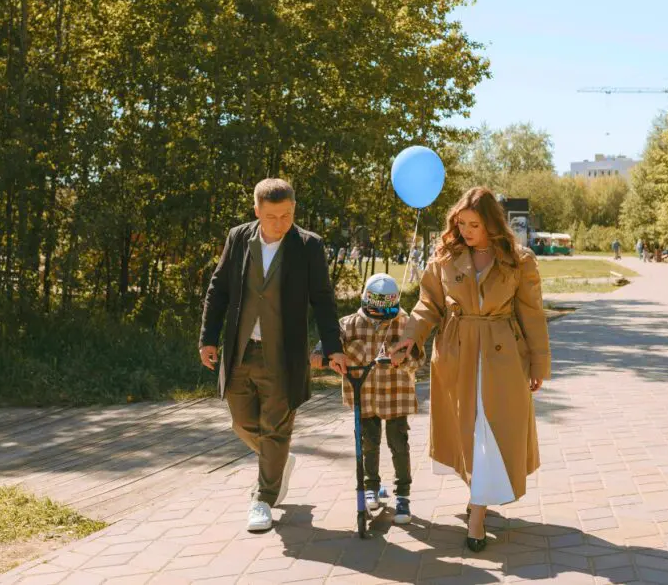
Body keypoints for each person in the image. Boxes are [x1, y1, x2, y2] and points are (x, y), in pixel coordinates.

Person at [387, 187, 551, 553]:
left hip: (503, 358)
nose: (465, 231)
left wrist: (538, 363)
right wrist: (410, 337)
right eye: (461, 224)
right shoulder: (445, 257)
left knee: (493, 432)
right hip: (456, 354)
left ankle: (477, 513)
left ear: (492, 223)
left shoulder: (519, 260)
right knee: (468, 431)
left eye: (474, 225)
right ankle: (479, 493)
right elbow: (427, 304)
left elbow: (532, 315)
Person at [199, 178, 348, 532]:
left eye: (287, 215)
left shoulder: (308, 245)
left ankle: (263, 498)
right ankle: (278, 460)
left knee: (276, 427)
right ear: (257, 211)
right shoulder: (238, 238)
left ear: (294, 209)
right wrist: (208, 338)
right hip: (241, 349)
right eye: (271, 216)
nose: (280, 223)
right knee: (241, 423)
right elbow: (218, 289)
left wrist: (333, 347)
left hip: (283, 355)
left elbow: (323, 299)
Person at [312, 273, 423, 525]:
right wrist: (321, 353)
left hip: (396, 395)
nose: (380, 320)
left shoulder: (405, 324)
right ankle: (371, 486)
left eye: (386, 314)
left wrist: (404, 358)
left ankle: (402, 495)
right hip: (364, 394)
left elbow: (418, 358)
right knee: (368, 443)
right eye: (374, 313)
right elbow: (330, 341)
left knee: (399, 443)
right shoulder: (349, 324)